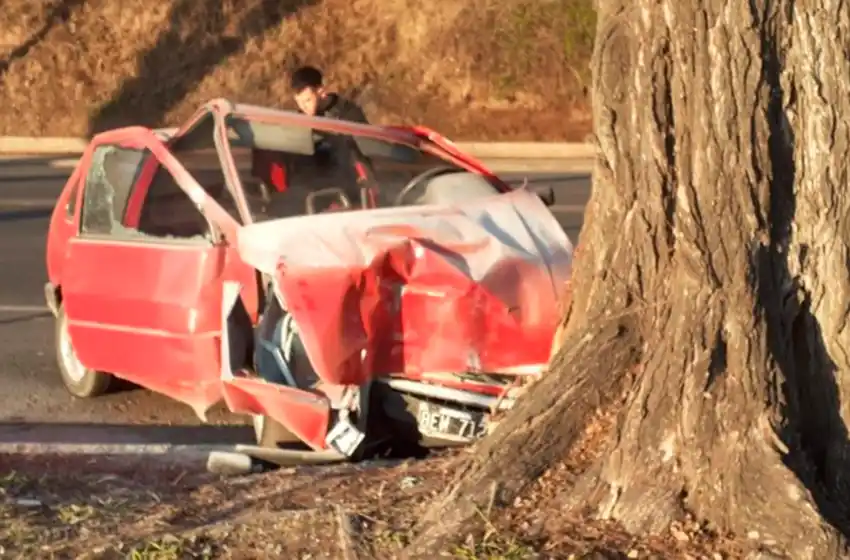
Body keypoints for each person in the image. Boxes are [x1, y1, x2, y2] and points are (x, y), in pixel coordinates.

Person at [290, 66, 369, 124]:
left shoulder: (349, 115)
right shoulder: (300, 118)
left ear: (321, 92)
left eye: (307, 100)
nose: (303, 107)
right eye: (298, 101)